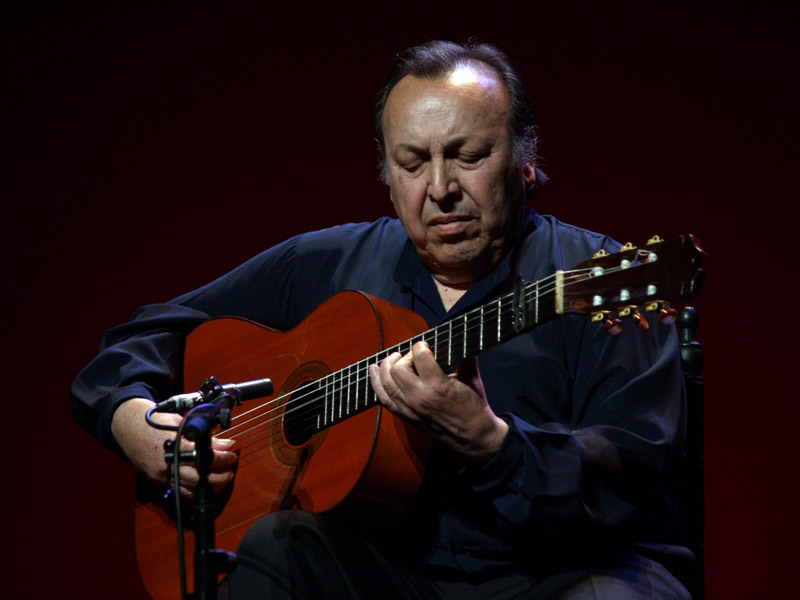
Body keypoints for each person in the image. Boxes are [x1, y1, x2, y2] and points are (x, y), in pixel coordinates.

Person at [71, 41, 693, 599]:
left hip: (559, 573)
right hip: (394, 576)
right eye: (413, 163)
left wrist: (494, 446)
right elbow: (144, 335)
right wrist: (133, 420)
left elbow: (630, 472)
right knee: (274, 550)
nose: (441, 188)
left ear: (525, 159)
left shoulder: (603, 275)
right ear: (388, 177)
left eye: (468, 155)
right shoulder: (328, 263)